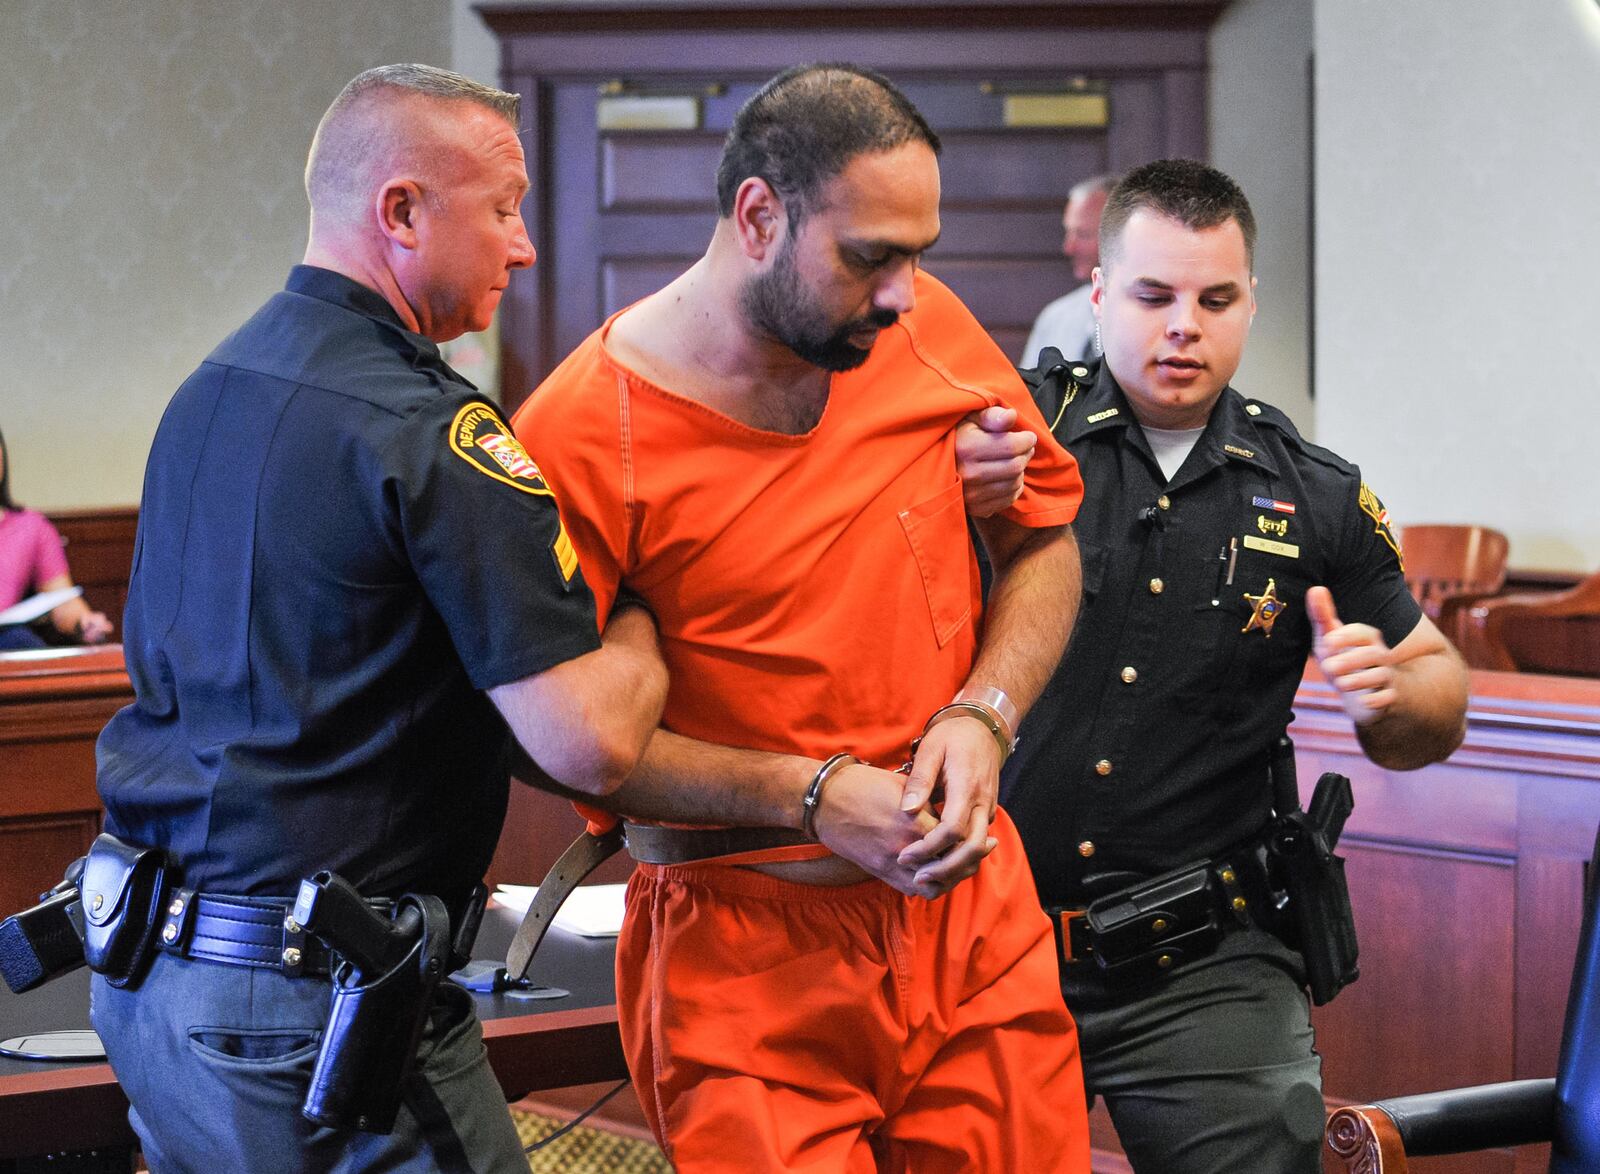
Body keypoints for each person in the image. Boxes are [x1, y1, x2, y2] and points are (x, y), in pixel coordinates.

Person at [513, 63, 1093, 1173]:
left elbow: (1045, 540)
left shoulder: (919, 333)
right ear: (758, 216)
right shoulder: (584, 434)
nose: (903, 295)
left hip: (967, 916)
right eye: (870, 256)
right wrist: (809, 794)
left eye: (919, 253)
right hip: (742, 948)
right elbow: (564, 747)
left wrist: (984, 712)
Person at [90, 64, 667, 1173]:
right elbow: (588, 740)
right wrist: (646, 614)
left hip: (152, 978)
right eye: (502, 207)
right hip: (312, 1008)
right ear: (401, 211)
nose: (524, 244)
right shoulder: (429, 429)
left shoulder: (210, 387)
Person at [999, 159, 1471, 1174]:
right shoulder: (1013, 441)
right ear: (1097, 294)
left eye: (1215, 299)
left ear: (1249, 301)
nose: (1184, 325)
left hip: (1201, 962)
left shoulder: (1313, 492)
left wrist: (1391, 701)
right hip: (983, 941)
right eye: (1153, 295)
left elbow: (1435, 685)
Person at [0, 427, 114, 650]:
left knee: (19, 640)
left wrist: (84, 622)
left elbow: (61, 599)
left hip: (5, 643)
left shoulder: (30, 526)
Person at [1018, 172, 1117, 367]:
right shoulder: (1055, 318)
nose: (1068, 248)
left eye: (1083, 234)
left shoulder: (1152, 320)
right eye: (1068, 232)